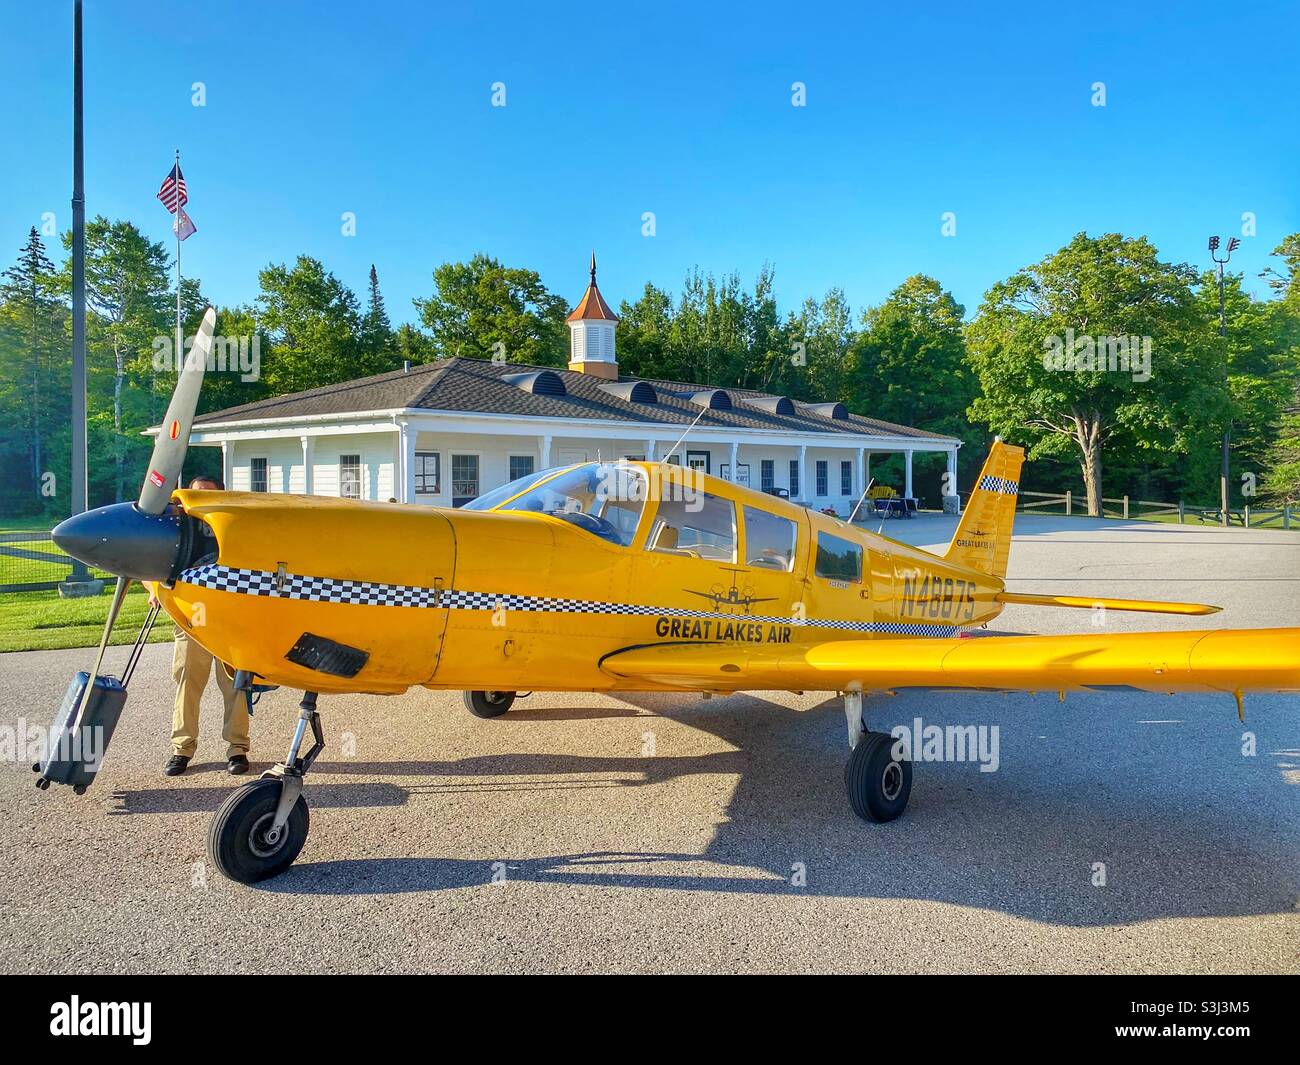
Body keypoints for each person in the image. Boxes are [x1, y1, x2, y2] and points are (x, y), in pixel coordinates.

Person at [153, 475, 251, 777]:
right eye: (196, 495)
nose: (202, 500)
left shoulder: (236, 527)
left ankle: (237, 749)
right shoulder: (180, 530)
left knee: (235, 685)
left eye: (209, 495)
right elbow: (154, 564)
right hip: (192, 617)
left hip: (229, 618)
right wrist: (155, 592)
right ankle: (181, 749)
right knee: (187, 682)